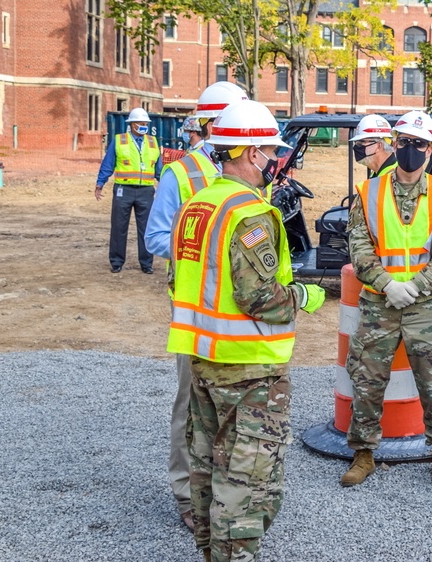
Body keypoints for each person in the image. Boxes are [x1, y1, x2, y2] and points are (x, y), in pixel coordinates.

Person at [167, 99, 325, 562]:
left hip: (204, 361)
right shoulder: (249, 214)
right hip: (249, 371)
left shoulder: (197, 205)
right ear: (252, 153)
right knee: (247, 484)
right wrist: (304, 297)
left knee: (206, 470)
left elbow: (181, 282)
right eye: (270, 153)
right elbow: (261, 299)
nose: (276, 161)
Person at [340, 110, 432, 488]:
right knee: (367, 377)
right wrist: (387, 284)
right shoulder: (368, 192)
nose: (412, 150)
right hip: (380, 302)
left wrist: (417, 285)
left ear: (431, 148)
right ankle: (363, 453)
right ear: (395, 144)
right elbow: (359, 246)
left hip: (426, 304)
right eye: (405, 142)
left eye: (420, 144)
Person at [143, 81, 247, 533]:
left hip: (239, 308)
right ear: (212, 126)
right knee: (191, 403)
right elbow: (153, 239)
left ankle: (227, 488)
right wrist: (208, 244)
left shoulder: (246, 173)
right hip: (195, 310)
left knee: (236, 402)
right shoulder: (181, 175)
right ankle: (187, 494)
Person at [94, 107, 162, 274]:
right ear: (131, 124)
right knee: (118, 226)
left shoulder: (153, 142)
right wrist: (100, 183)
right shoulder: (119, 140)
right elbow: (108, 164)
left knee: (146, 228)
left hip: (146, 191)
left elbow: (159, 168)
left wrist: (165, 184)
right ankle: (116, 262)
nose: (144, 125)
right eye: (140, 123)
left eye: (145, 123)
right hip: (123, 190)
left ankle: (147, 263)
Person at [350, 114, 397, 178]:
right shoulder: (378, 174)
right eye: (357, 142)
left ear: (378, 146)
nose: (356, 146)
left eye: (361, 142)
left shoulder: (394, 177)